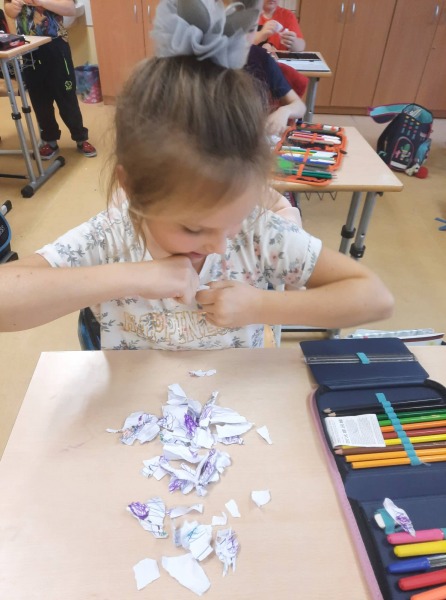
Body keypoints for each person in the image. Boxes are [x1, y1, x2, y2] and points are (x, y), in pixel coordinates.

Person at [0, 0, 394, 351]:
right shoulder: (114, 236)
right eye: (192, 228)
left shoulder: (258, 234)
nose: (219, 246)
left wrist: (262, 306)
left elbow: (375, 298)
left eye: (233, 221)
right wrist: (128, 278)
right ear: (133, 187)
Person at [4, 0, 96, 160]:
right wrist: (13, 7)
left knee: (66, 97)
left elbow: (70, 9)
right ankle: (50, 141)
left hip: (56, 45)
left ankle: (80, 138)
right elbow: (8, 9)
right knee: (39, 100)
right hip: (28, 48)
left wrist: (41, 2)